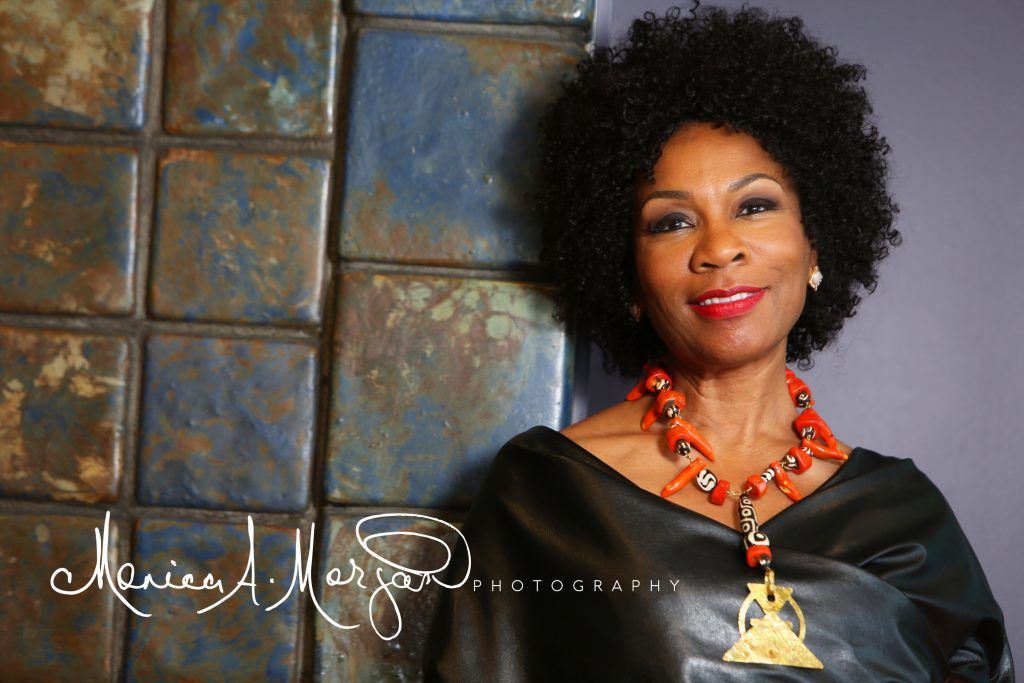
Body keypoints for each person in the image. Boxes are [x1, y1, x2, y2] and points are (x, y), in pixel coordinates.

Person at [422, 4, 1014, 680]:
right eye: (671, 221)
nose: (719, 248)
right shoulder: (547, 497)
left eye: (754, 206)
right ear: (628, 276)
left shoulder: (906, 517)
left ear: (815, 244)